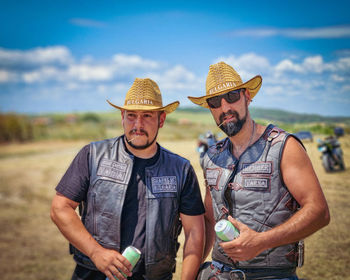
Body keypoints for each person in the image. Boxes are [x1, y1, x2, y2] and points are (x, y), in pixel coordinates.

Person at [51, 78, 205, 280]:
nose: (138, 124)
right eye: (131, 115)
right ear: (122, 116)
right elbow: (60, 208)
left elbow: (195, 232)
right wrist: (96, 252)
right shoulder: (92, 155)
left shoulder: (180, 169)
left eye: (147, 116)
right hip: (92, 275)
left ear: (161, 119)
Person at [187, 62, 330, 280]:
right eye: (215, 102)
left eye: (232, 96)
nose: (224, 108)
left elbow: (319, 212)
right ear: (210, 108)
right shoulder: (211, 156)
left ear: (247, 96)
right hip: (216, 273)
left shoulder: (284, 146)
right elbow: (209, 221)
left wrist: (261, 242)